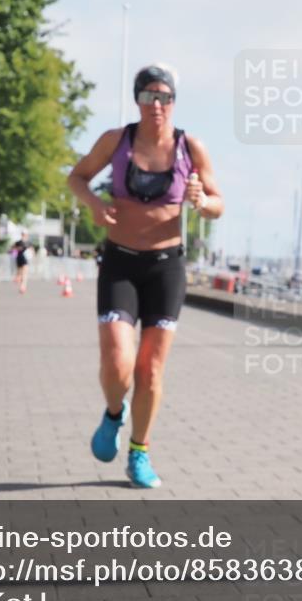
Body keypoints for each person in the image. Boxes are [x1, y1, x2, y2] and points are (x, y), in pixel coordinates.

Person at [67, 63, 223, 488]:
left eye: (164, 97)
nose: (157, 105)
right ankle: (113, 414)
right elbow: (77, 177)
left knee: (150, 370)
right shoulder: (116, 140)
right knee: (118, 362)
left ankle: (139, 452)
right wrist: (96, 207)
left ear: (174, 101)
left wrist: (201, 201)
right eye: (148, 96)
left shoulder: (191, 147)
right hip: (119, 262)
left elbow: (217, 201)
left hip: (165, 268)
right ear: (137, 101)